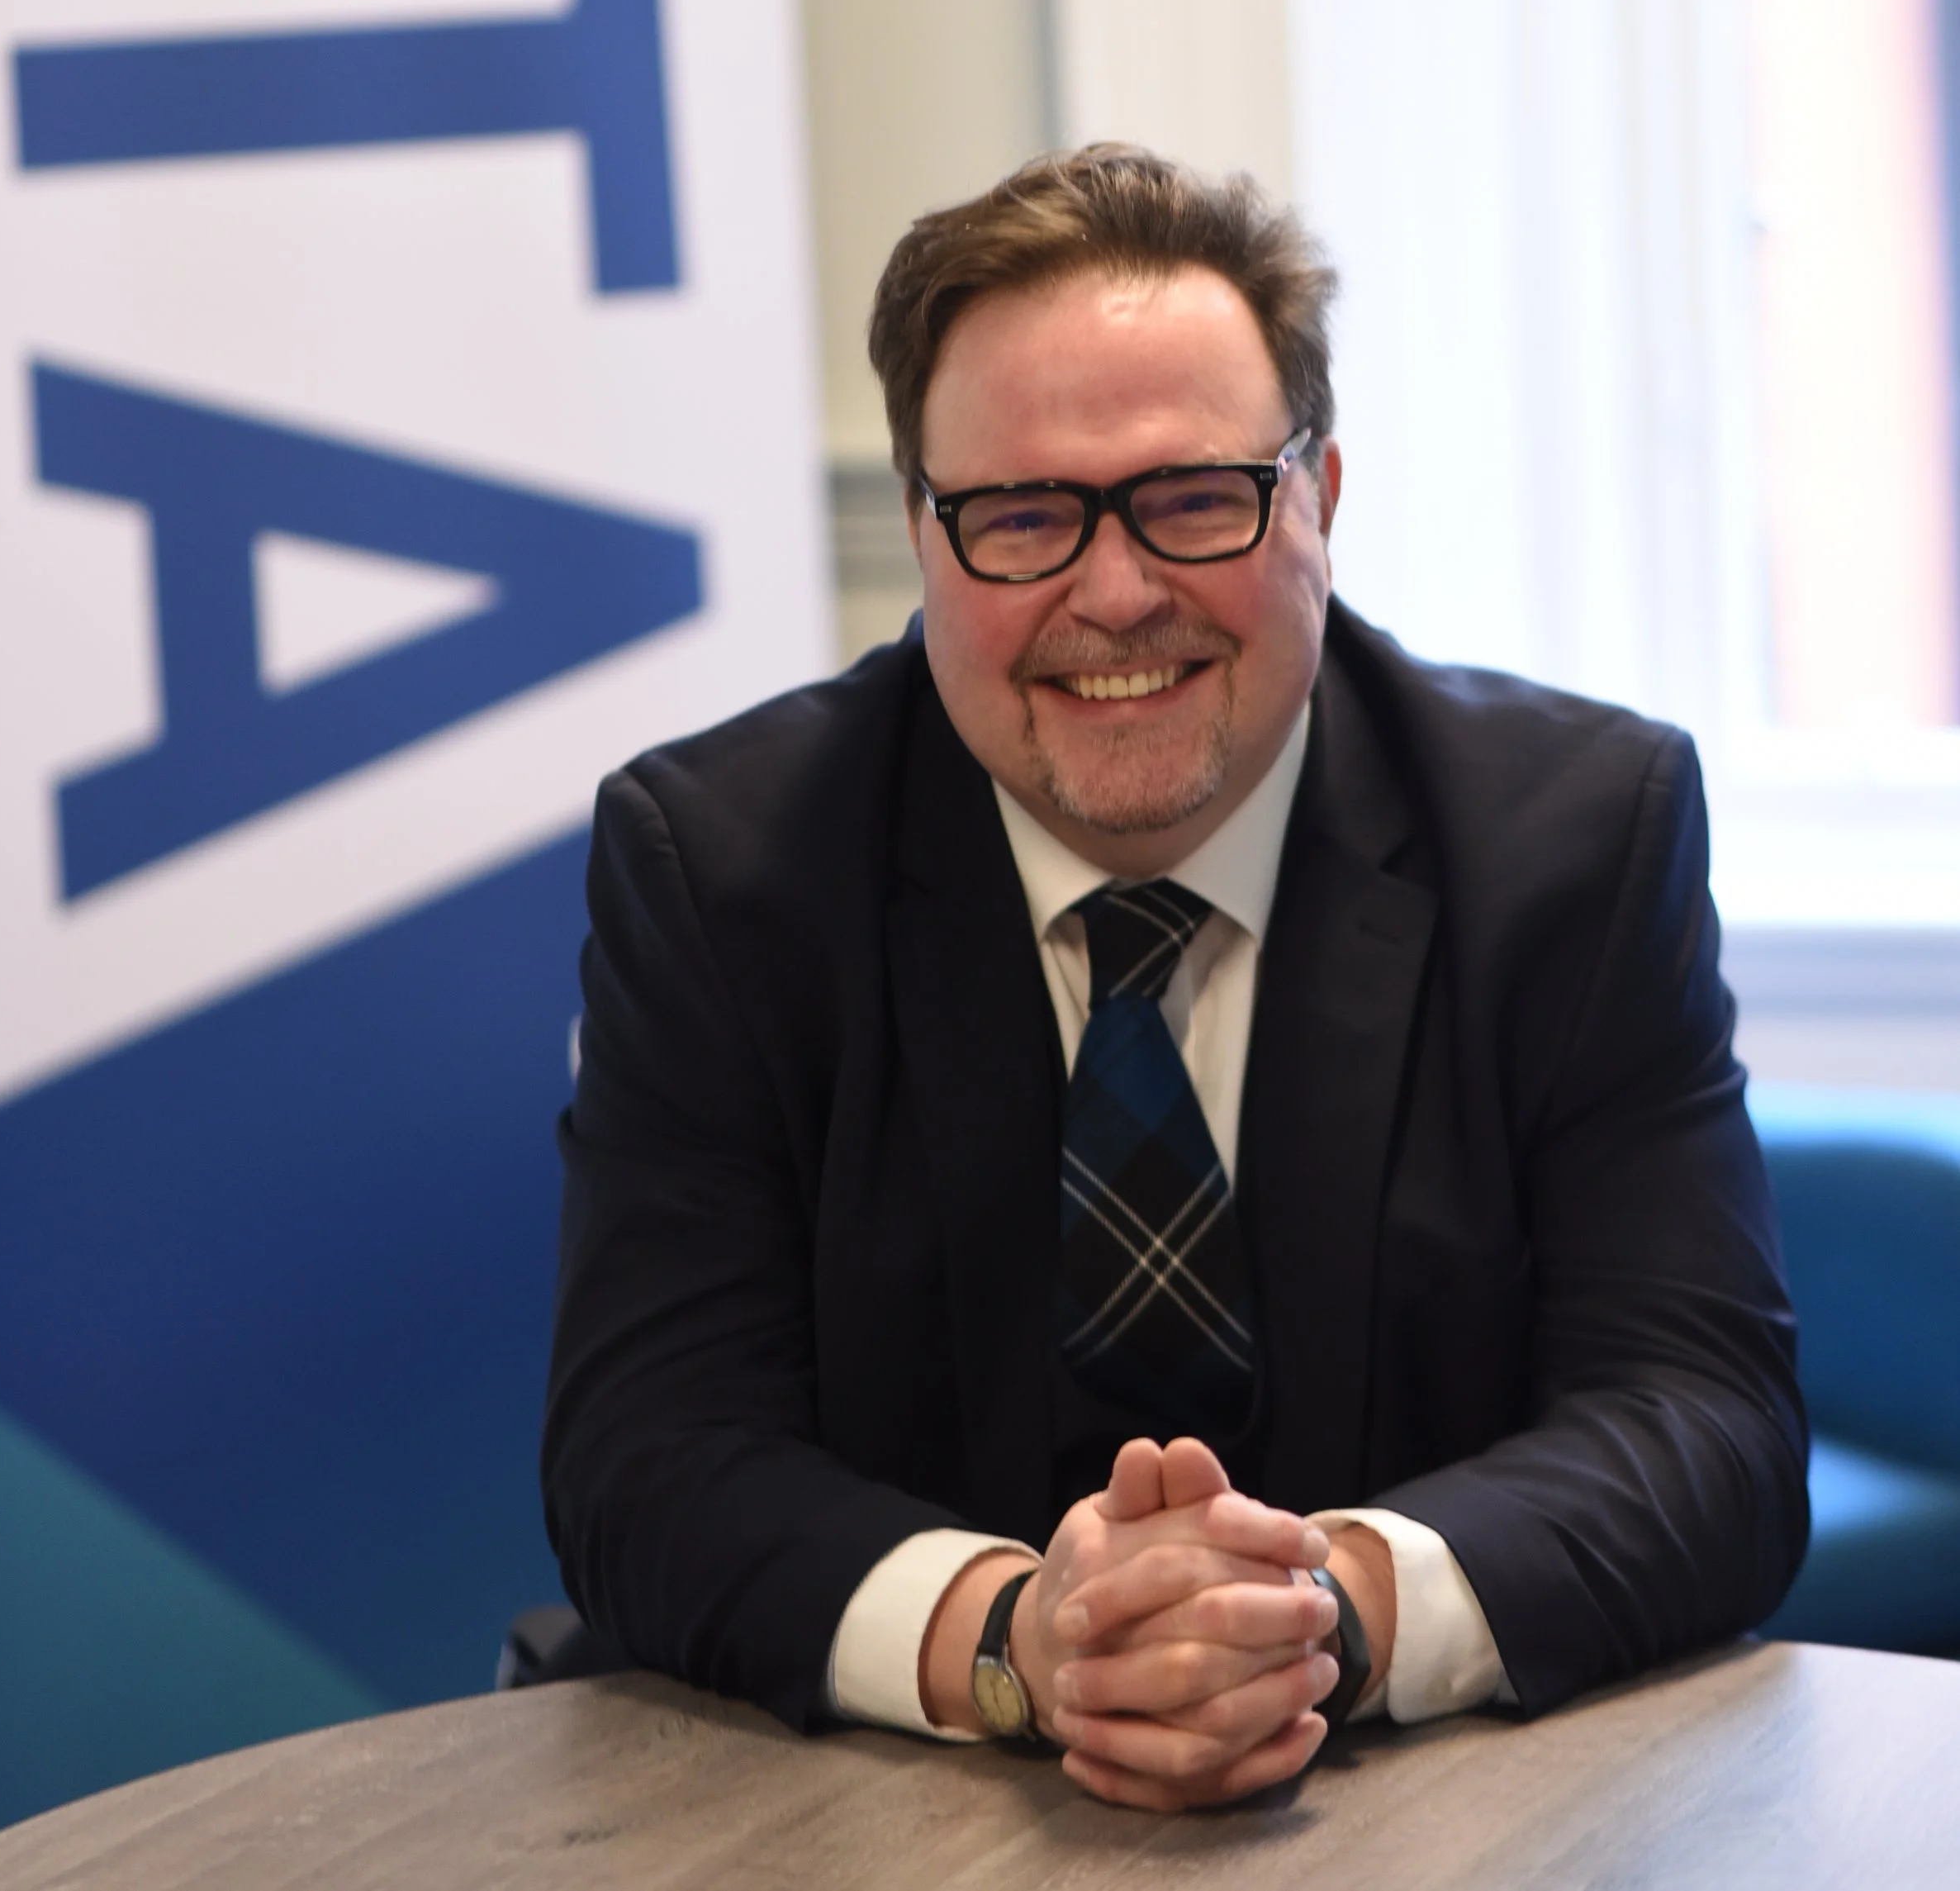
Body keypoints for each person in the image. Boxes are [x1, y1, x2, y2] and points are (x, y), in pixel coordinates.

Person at [542, 145, 1806, 1810]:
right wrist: (1020, 1638)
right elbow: (647, 1459)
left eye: (1193, 499)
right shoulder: (720, 871)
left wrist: (1322, 1617)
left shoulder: (1573, 839)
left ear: (1320, 500)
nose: (1114, 592)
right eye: (1020, 518)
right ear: (923, 538)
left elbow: (1700, 1424)